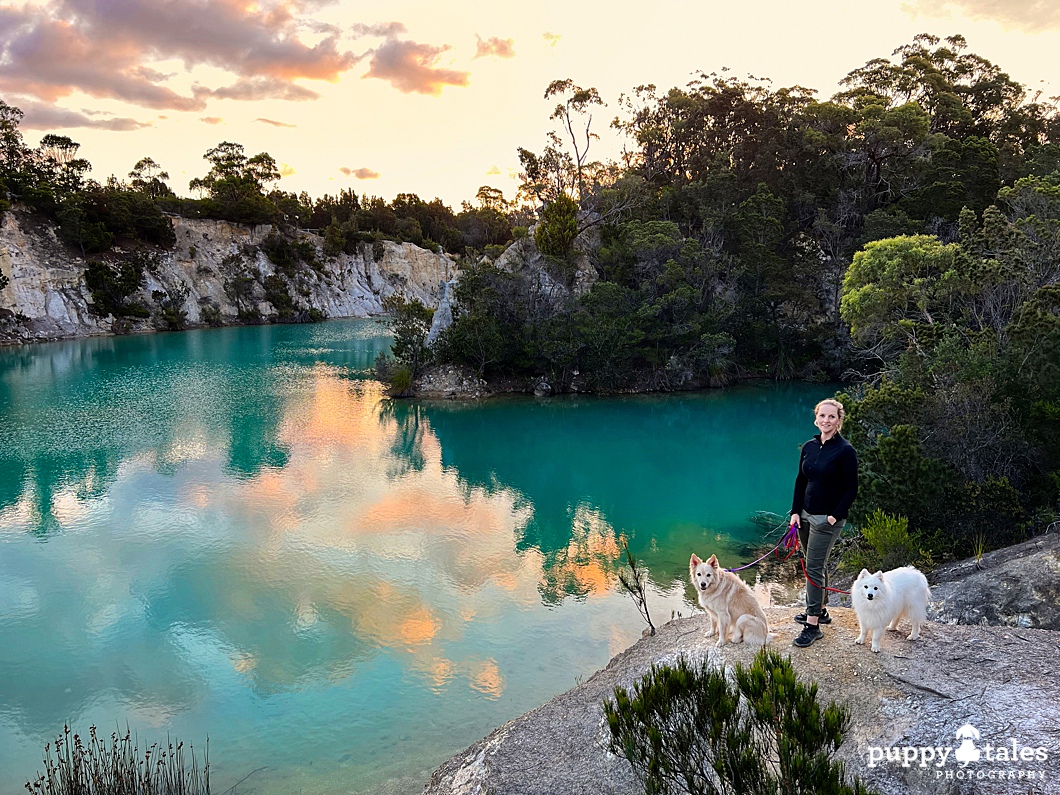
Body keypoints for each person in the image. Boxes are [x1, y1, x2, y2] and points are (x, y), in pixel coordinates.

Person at [789, 398, 858, 648]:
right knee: (815, 564)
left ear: (839, 421)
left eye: (832, 417)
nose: (826, 421)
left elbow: (851, 489)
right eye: (822, 416)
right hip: (805, 515)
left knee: (813, 567)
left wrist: (834, 515)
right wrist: (795, 512)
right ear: (816, 418)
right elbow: (800, 480)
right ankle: (823, 609)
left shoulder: (845, 451)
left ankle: (813, 625)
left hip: (827, 520)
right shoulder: (809, 446)